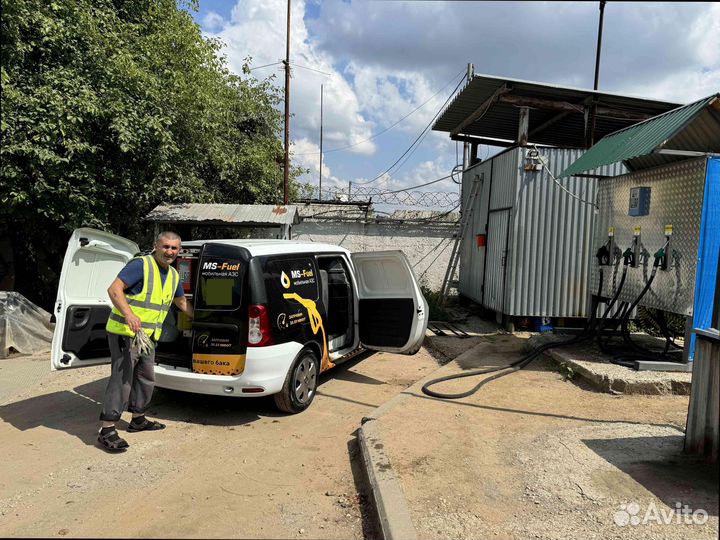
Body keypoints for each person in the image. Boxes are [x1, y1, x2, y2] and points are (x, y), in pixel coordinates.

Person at [97, 231, 193, 452]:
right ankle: (107, 429)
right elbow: (114, 290)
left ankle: (138, 419)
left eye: (174, 248)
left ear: (179, 251)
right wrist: (129, 314)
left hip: (148, 336)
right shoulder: (141, 265)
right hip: (125, 332)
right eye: (165, 247)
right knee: (122, 380)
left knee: (146, 377)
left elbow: (181, 303)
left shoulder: (173, 275)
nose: (169, 252)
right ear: (156, 246)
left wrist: (206, 320)